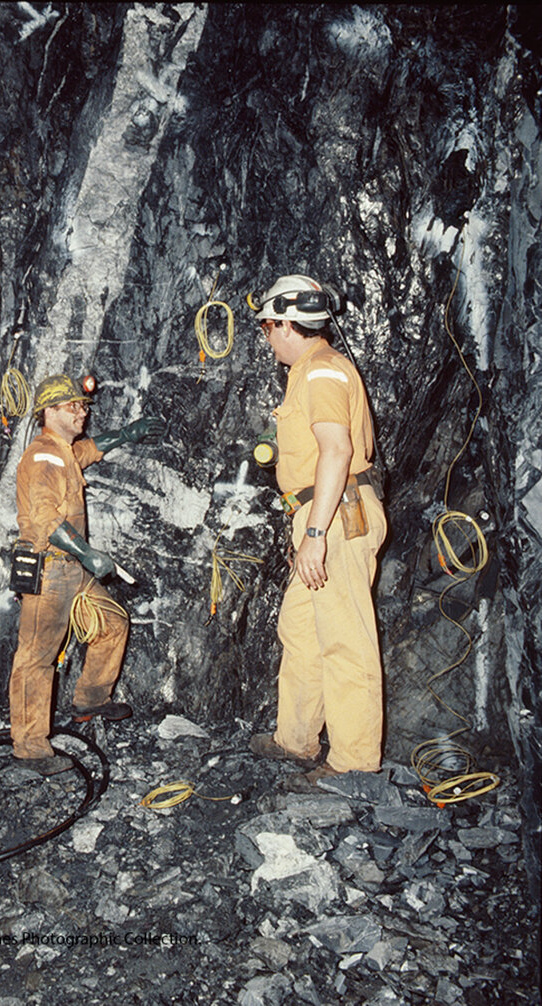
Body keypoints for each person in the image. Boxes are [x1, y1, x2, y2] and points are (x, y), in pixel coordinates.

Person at [248, 275, 387, 790]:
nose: (267, 338)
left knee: (345, 639)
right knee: (301, 629)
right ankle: (296, 738)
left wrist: (314, 533)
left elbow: (337, 452)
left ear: (288, 322)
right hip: (323, 513)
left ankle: (353, 762)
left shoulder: (322, 372)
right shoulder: (307, 372)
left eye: (268, 327)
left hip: (336, 517)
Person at [8, 374, 164, 775]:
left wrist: (129, 433)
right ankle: (30, 749)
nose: (83, 412)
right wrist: (88, 552)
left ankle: (91, 699)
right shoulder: (43, 456)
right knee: (36, 659)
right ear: (50, 411)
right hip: (51, 571)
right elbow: (45, 519)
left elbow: (92, 450)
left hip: (72, 571)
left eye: (83, 405)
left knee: (112, 623)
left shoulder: (63, 451)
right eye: (73, 406)